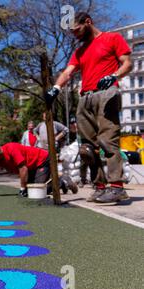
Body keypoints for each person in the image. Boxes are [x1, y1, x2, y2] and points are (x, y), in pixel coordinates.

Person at [45, 12, 133, 203]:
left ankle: (117, 188)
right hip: (85, 98)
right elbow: (68, 72)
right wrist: (56, 88)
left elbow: (128, 63)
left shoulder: (112, 38)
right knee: (87, 148)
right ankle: (100, 187)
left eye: (77, 30)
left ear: (88, 22)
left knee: (108, 142)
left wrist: (114, 76)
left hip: (106, 93)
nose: (75, 35)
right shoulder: (80, 52)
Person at [0, 143, 77, 197]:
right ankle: (60, 183)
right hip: (31, 167)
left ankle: (62, 181)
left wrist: (22, 188)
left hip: (42, 160)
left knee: (37, 192)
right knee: (33, 191)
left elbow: (23, 168)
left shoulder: (11, 149)